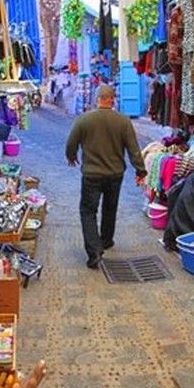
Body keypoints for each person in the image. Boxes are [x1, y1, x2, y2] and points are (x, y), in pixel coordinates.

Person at [65, 85, 147, 268]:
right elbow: (133, 150)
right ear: (112, 99)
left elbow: (71, 143)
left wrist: (71, 157)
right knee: (110, 208)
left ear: (97, 99)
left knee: (88, 211)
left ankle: (94, 251)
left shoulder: (84, 119)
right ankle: (106, 240)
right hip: (114, 174)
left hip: (91, 175)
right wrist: (141, 171)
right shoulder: (123, 121)